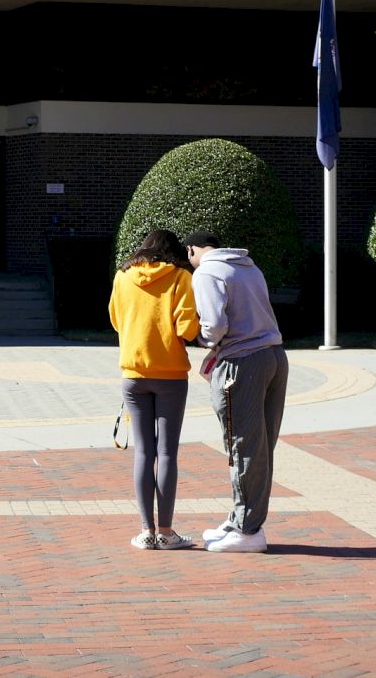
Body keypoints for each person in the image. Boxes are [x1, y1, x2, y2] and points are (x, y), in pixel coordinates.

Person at [184, 230, 288, 554]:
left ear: (192, 250)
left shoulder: (207, 272)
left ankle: (247, 529)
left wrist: (198, 339)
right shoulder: (249, 267)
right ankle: (241, 518)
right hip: (274, 355)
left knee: (242, 444)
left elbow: (214, 325)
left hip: (241, 363)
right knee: (262, 444)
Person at [108, 229, 200, 551]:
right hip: (171, 374)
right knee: (167, 453)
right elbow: (188, 329)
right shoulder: (179, 277)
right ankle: (167, 531)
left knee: (143, 453)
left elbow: (116, 321)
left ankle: (146, 531)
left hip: (133, 374)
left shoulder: (122, 276)